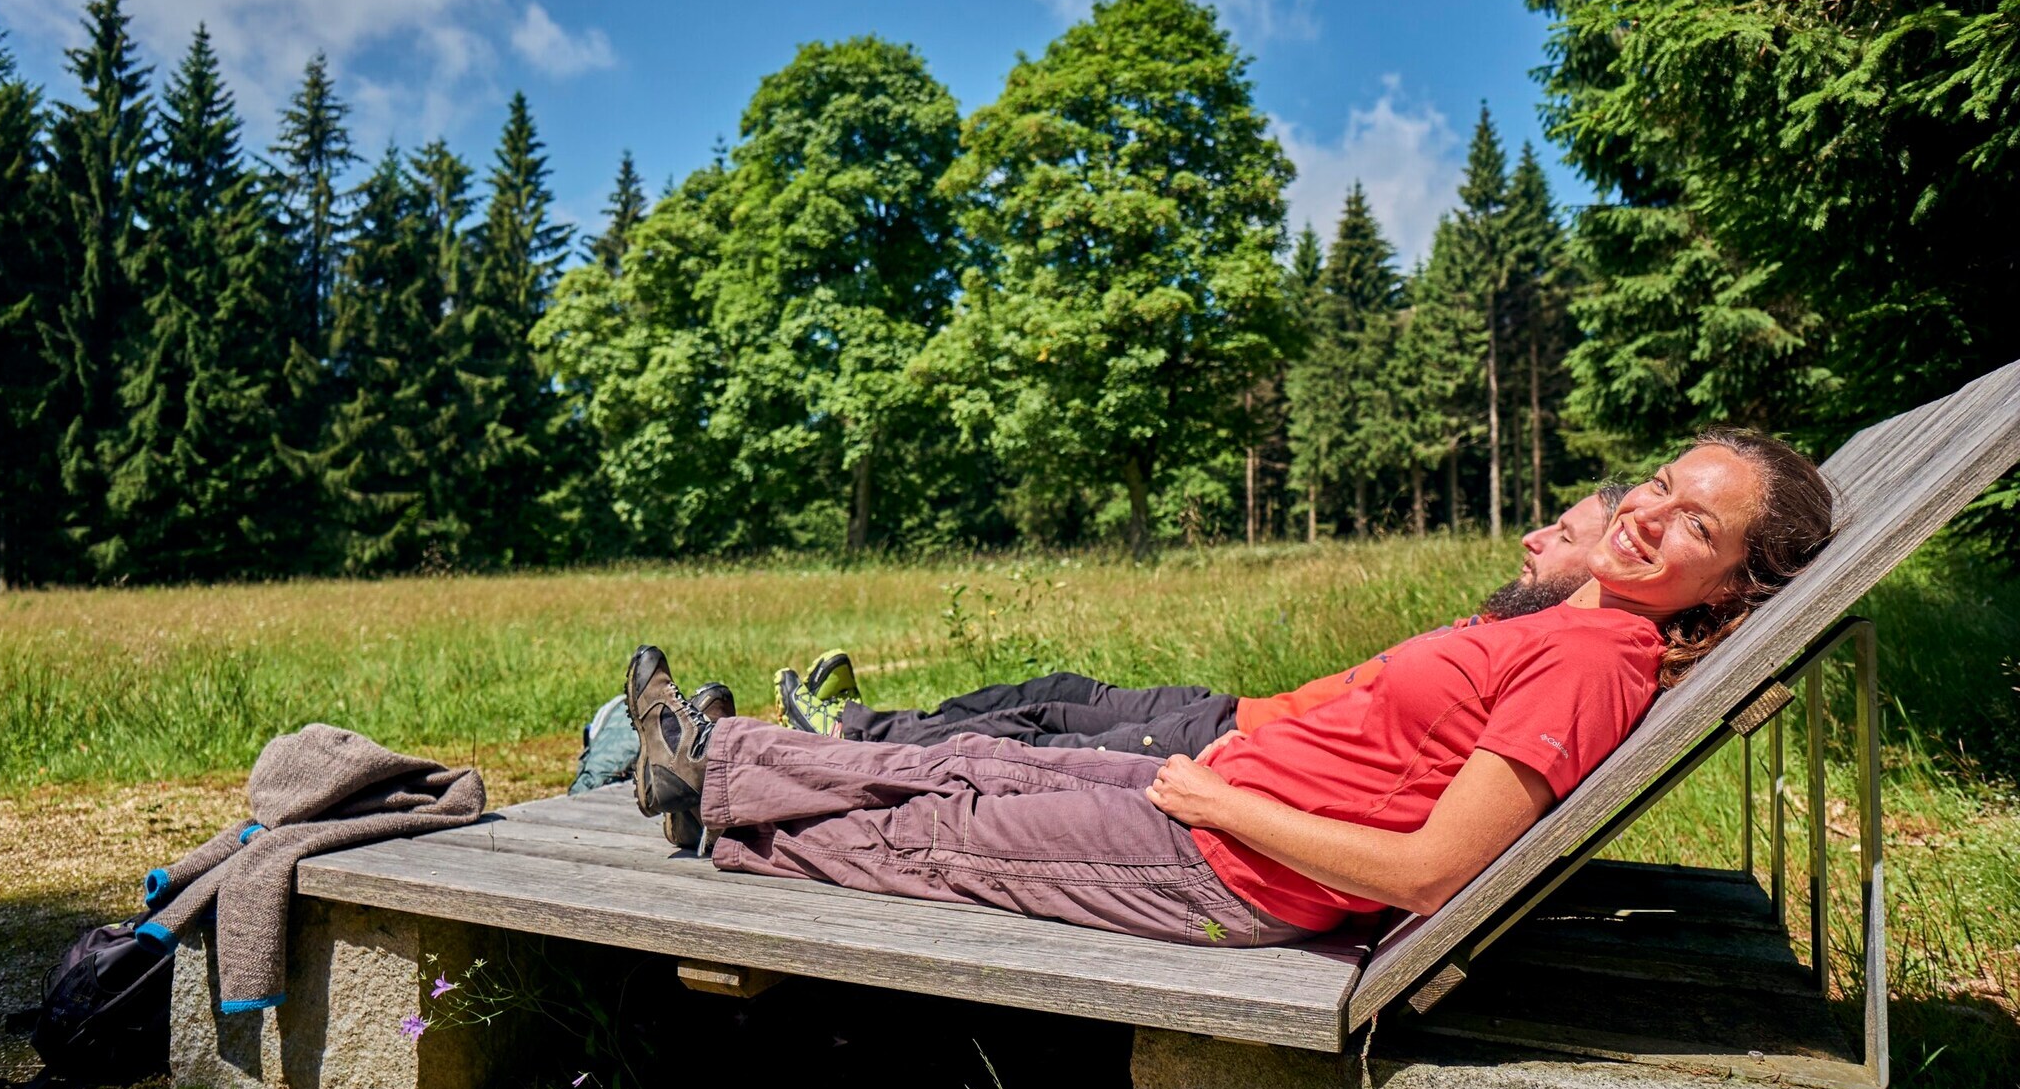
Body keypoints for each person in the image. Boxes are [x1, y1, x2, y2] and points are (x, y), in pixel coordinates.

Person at [629, 429, 1834, 946]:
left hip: (1230, 864)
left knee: (949, 828)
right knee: (983, 761)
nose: (1647, 519)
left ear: (1727, 582)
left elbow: (1430, 873)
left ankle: (714, 792)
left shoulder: (1588, 659)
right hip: (1220, 801)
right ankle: (712, 761)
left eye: (1695, 524)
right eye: (1661, 484)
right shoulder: (1568, 614)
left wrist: (1223, 807)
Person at [818, 486, 1629, 756]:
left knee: (1036, 733)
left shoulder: (1548, 658)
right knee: (1055, 686)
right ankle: (877, 725)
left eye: (1563, 535)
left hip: (1228, 747)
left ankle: (850, 738)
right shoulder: (1506, 625)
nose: (1533, 536)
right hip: (1234, 709)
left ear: (1602, 571)